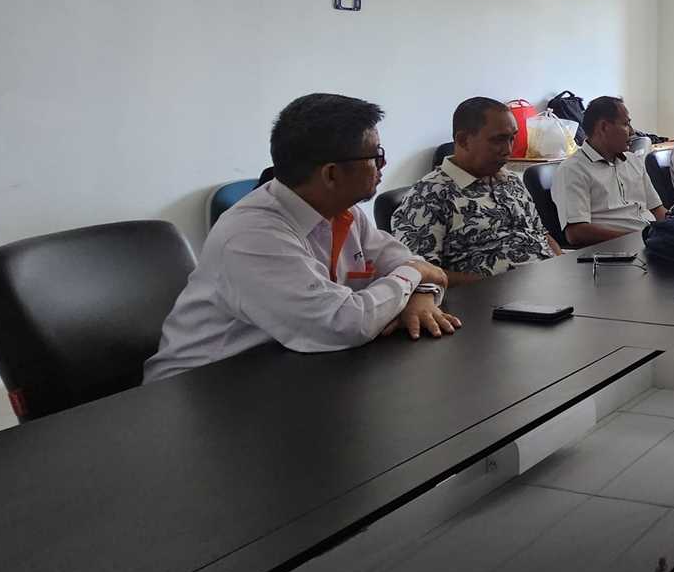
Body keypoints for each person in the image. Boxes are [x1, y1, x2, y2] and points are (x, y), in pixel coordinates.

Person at [144, 94, 457, 381]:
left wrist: (419, 296)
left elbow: (407, 263)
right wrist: (412, 278)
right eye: (375, 157)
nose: (382, 166)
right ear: (331, 174)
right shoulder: (252, 235)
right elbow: (344, 324)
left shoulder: (344, 212)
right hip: (199, 391)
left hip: (294, 369)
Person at [390, 97, 558, 285]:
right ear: (463, 140)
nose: (508, 150)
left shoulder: (511, 180)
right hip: (487, 301)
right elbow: (421, 273)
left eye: (512, 138)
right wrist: (494, 285)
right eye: (498, 140)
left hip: (547, 283)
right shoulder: (429, 195)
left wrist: (564, 267)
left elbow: (542, 235)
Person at [554, 96, 667, 247]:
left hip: (649, 241)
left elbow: (658, 210)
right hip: (616, 250)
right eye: (626, 124)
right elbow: (576, 233)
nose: (632, 131)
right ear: (604, 127)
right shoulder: (573, 170)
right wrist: (639, 238)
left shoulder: (633, 161)